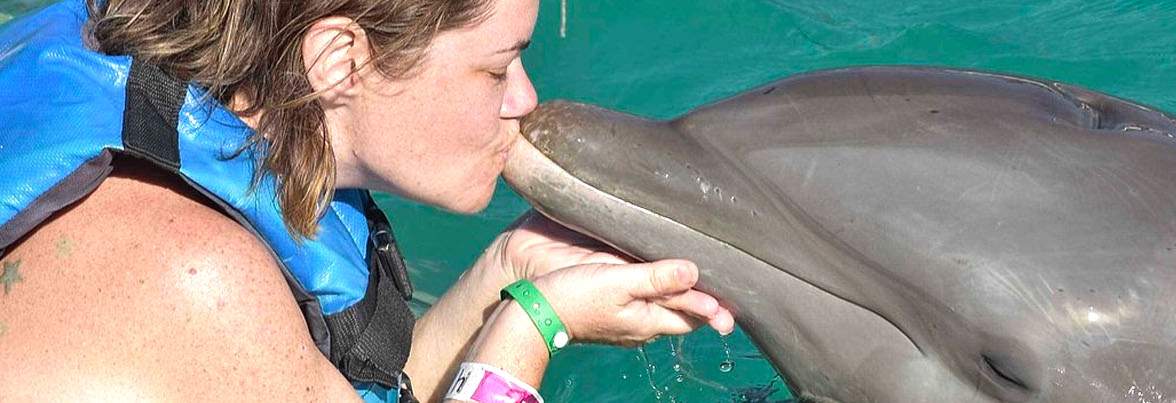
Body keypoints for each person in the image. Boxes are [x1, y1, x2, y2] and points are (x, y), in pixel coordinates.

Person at [0, 0, 734, 401]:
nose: (526, 100)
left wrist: (508, 273)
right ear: (339, 60)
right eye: (498, 67)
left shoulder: (217, 104)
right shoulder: (195, 279)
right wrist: (535, 326)